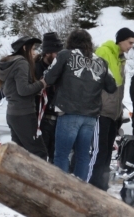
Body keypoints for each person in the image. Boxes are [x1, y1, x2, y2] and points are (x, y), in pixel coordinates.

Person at [44, 29, 117, 180]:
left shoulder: (65, 55)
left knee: (62, 155)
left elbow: (49, 78)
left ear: (70, 41)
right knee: (83, 156)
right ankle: (80, 192)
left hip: (68, 112)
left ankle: (60, 189)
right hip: (90, 116)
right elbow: (112, 86)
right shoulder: (101, 61)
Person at [88, 27, 134, 190]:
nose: (131, 46)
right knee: (99, 151)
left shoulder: (120, 59)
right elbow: (92, 81)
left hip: (113, 114)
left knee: (108, 151)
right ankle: (92, 184)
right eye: (130, 42)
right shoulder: (104, 52)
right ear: (121, 40)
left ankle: (101, 184)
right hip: (101, 112)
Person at [0, 36, 48, 159]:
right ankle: (35, 179)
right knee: (39, 153)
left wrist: (34, 90)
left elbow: (12, 90)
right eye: (32, 49)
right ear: (25, 48)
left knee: (19, 154)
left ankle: (15, 177)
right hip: (24, 114)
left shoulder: (8, 64)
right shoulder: (22, 63)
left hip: (12, 114)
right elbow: (23, 90)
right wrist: (42, 84)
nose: (34, 52)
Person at [34, 31, 64, 163]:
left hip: (58, 118)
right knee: (40, 155)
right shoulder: (35, 68)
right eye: (56, 53)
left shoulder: (61, 67)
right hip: (42, 119)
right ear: (47, 53)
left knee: (55, 156)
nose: (58, 56)